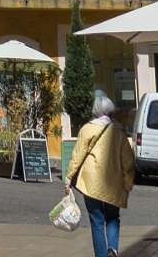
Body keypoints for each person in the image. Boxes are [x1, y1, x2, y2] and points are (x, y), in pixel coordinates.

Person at [65, 95, 136, 257]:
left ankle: (101, 255)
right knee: (112, 217)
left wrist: (69, 177)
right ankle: (112, 247)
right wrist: (128, 181)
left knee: (96, 221)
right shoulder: (119, 131)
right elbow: (128, 159)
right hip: (114, 182)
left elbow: (77, 155)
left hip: (91, 182)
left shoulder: (87, 129)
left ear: (95, 110)